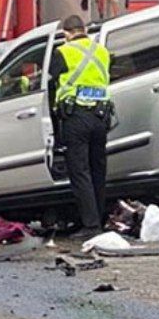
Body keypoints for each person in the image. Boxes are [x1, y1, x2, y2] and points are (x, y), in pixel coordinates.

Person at [48, 15, 113, 232]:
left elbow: (50, 81)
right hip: (101, 117)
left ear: (66, 33)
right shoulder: (102, 51)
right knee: (97, 170)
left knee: (80, 171)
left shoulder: (63, 52)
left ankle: (90, 225)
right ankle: (98, 219)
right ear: (83, 29)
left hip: (76, 117)